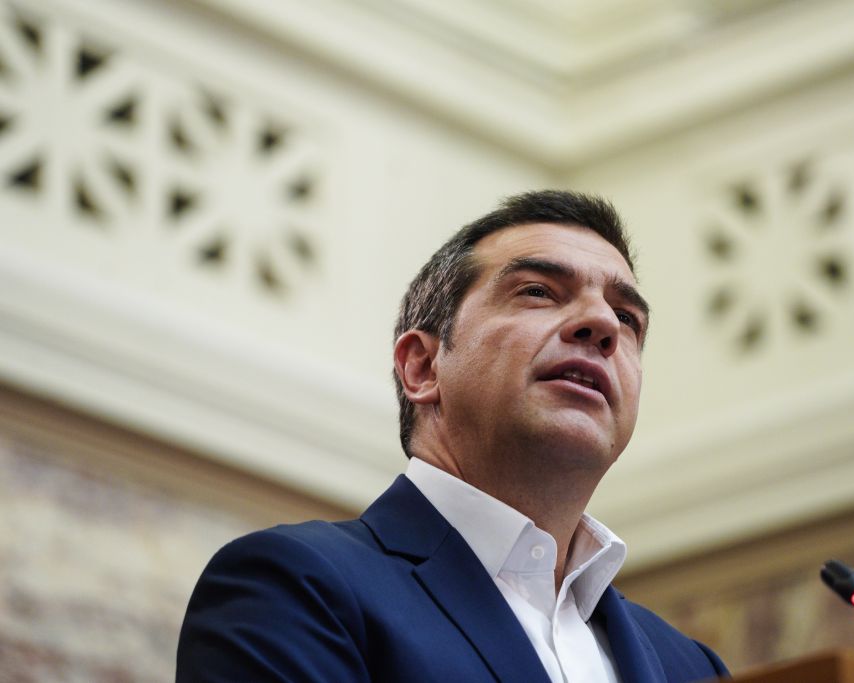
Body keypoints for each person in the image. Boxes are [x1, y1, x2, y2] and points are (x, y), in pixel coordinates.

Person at [176, 190, 729, 682]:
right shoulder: (296, 586)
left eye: (627, 318)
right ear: (422, 367)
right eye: (539, 291)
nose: (603, 324)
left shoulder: (693, 668)